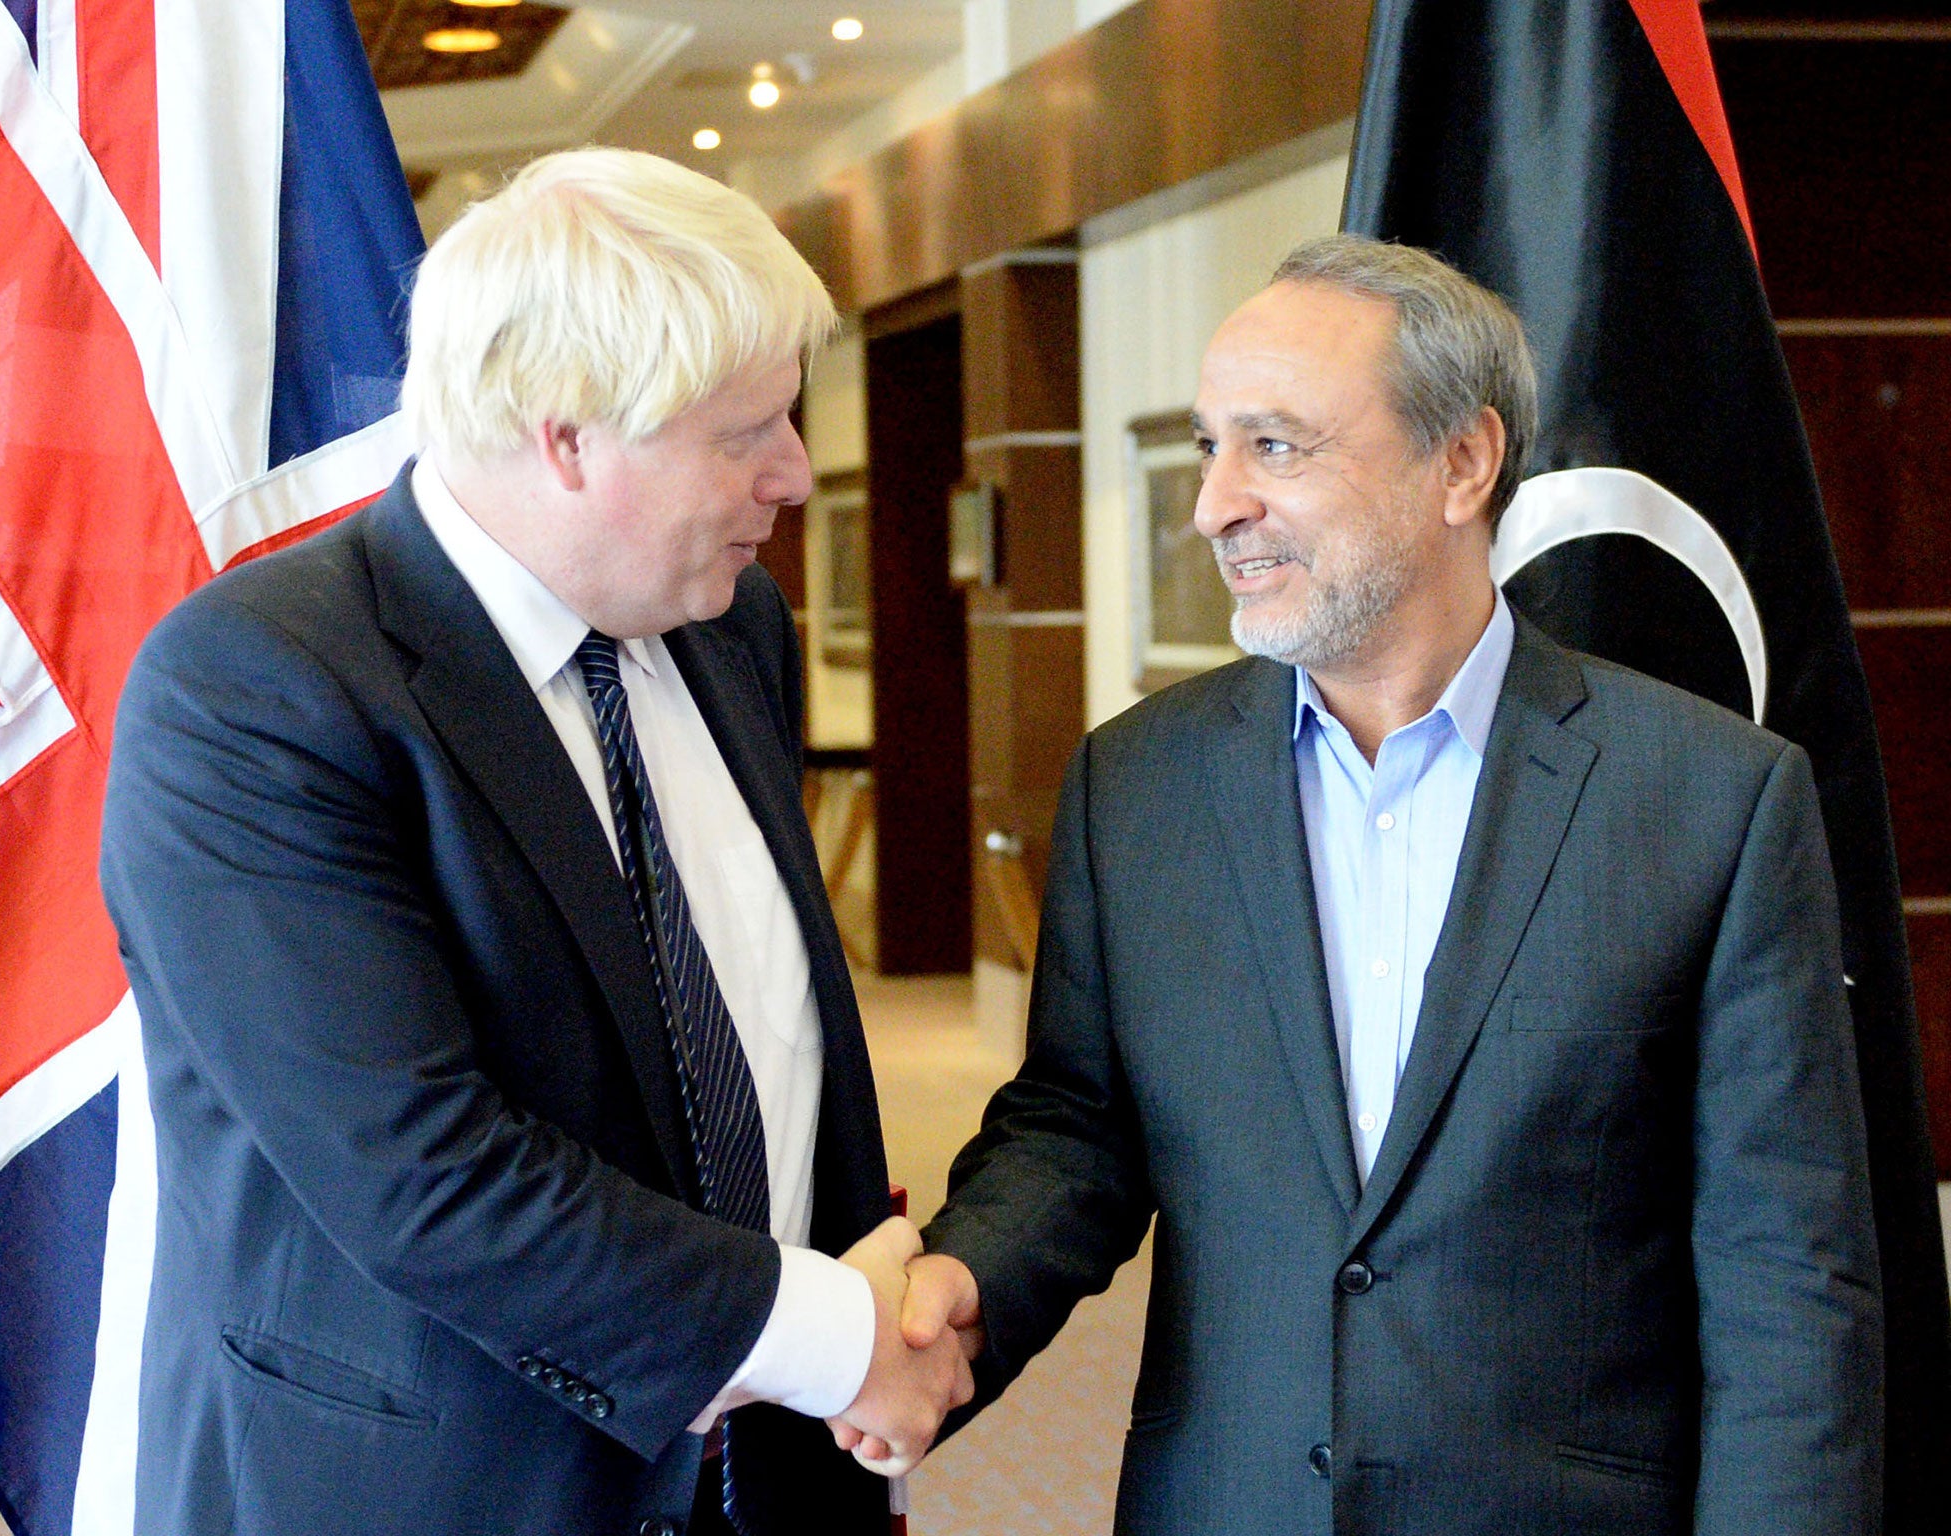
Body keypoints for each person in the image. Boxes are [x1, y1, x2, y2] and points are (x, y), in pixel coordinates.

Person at [888, 235, 1884, 1533]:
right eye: (1207, 448)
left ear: (1463, 461)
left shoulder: (1710, 802)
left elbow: (1789, 1287)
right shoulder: (1137, 790)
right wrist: (952, 1294)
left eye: (1276, 447)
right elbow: (1077, 1130)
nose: (1215, 506)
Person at [100, 147, 966, 1536]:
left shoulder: (735, 629)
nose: (796, 477)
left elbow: (771, 1029)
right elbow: (421, 1169)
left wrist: (859, 1342)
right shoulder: (257, 688)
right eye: (748, 431)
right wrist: (829, 1331)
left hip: (781, 1476)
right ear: (567, 436)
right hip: (447, 1489)